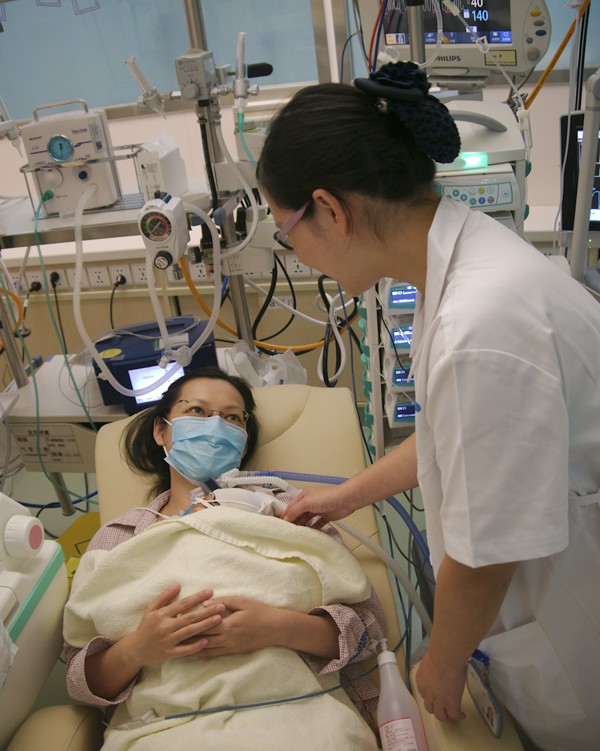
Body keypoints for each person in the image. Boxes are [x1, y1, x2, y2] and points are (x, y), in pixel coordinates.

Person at [257, 61, 600, 751]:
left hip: (571, 618)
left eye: (285, 228)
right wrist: (347, 496)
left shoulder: (481, 321)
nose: (295, 253)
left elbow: (486, 555)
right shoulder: (470, 267)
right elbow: (456, 434)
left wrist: (440, 665)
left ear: (331, 209)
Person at [63, 367, 384, 750]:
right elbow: (79, 678)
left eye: (232, 417)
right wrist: (138, 648)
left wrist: (279, 627)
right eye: (197, 411)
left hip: (300, 718)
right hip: (168, 730)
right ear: (160, 430)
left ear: (244, 441)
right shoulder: (121, 537)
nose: (216, 424)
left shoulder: (292, 513)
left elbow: (369, 630)